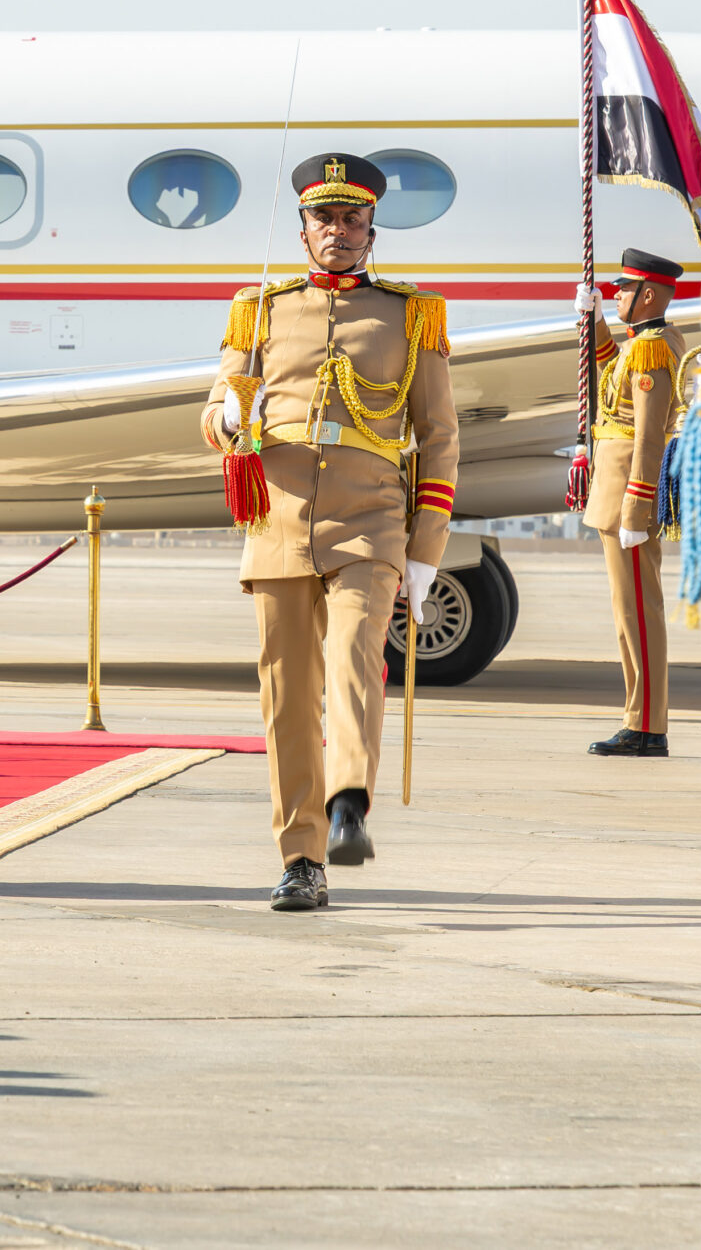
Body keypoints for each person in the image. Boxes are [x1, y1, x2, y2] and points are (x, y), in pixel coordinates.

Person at [204, 153, 457, 913]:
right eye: (325, 219)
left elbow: (439, 438)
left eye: (352, 220)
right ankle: (302, 859)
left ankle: (349, 801)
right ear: (304, 229)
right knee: (286, 697)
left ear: (372, 231)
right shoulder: (260, 308)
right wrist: (228, 418)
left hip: (369, 521)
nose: (338, 232)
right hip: (278, 519)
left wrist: (425, 551)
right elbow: (213, 411)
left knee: (353, 659)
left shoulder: (411, 314)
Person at [578, 248, 684, 758]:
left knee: (639, 613)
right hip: (614, 491)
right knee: (628, 614)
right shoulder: (641, 344)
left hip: (627, 497)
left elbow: (648, 437)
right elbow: (608, 375)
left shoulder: (653, 349)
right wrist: (595, 320)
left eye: (622, 289)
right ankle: (639, 719)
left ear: (647, 295)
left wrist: (638, 509)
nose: (617, 294)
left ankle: (646, 726)